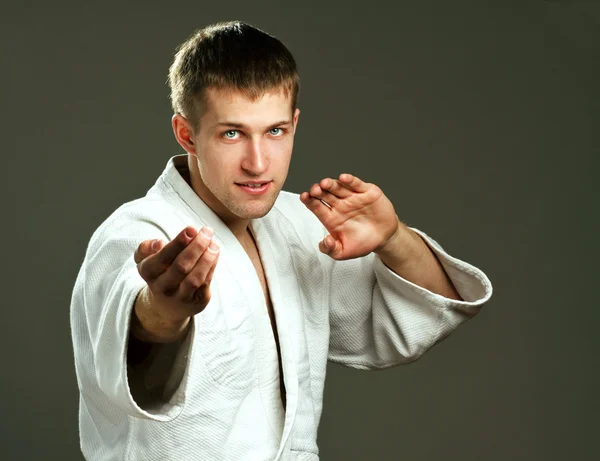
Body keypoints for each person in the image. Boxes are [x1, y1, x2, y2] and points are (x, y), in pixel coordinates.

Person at [70, 20, 493, 461]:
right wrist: (162, 313)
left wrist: (393, 238)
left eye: (275, 132)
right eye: (232, 133)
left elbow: (418, 319)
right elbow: (127, 342)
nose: (258, 163)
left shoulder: (298, 223)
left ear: (294, 124)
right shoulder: (138, 233)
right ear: (186, 133)